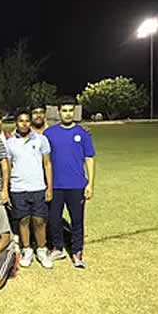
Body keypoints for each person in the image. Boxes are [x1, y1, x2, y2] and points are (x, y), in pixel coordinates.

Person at [44, 98, 96, 268]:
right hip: (55, 185)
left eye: (70, 110)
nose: (67, 113)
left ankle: (77, 251)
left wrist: (90, 184)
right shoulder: (49, 133)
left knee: (77, 220)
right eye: (64, 110)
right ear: (58, 112)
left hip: (76, 185)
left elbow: (89, 158)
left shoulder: (83, 133)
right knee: (54, 219)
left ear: (74, 112)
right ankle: (58, 248)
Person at [6, 109, 53, 269]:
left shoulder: (41, 139)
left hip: (38, 187)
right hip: (18, 188)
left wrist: (49, 187)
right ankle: (27, 250)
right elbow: (8, 167)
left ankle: (41, 249)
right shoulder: (10, 143)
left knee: (39, 220)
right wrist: (7, 189)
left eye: (27, 120)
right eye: (21, 121)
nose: (24, 123)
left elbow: (47, 164)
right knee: (23, 220)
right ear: (16, 123)